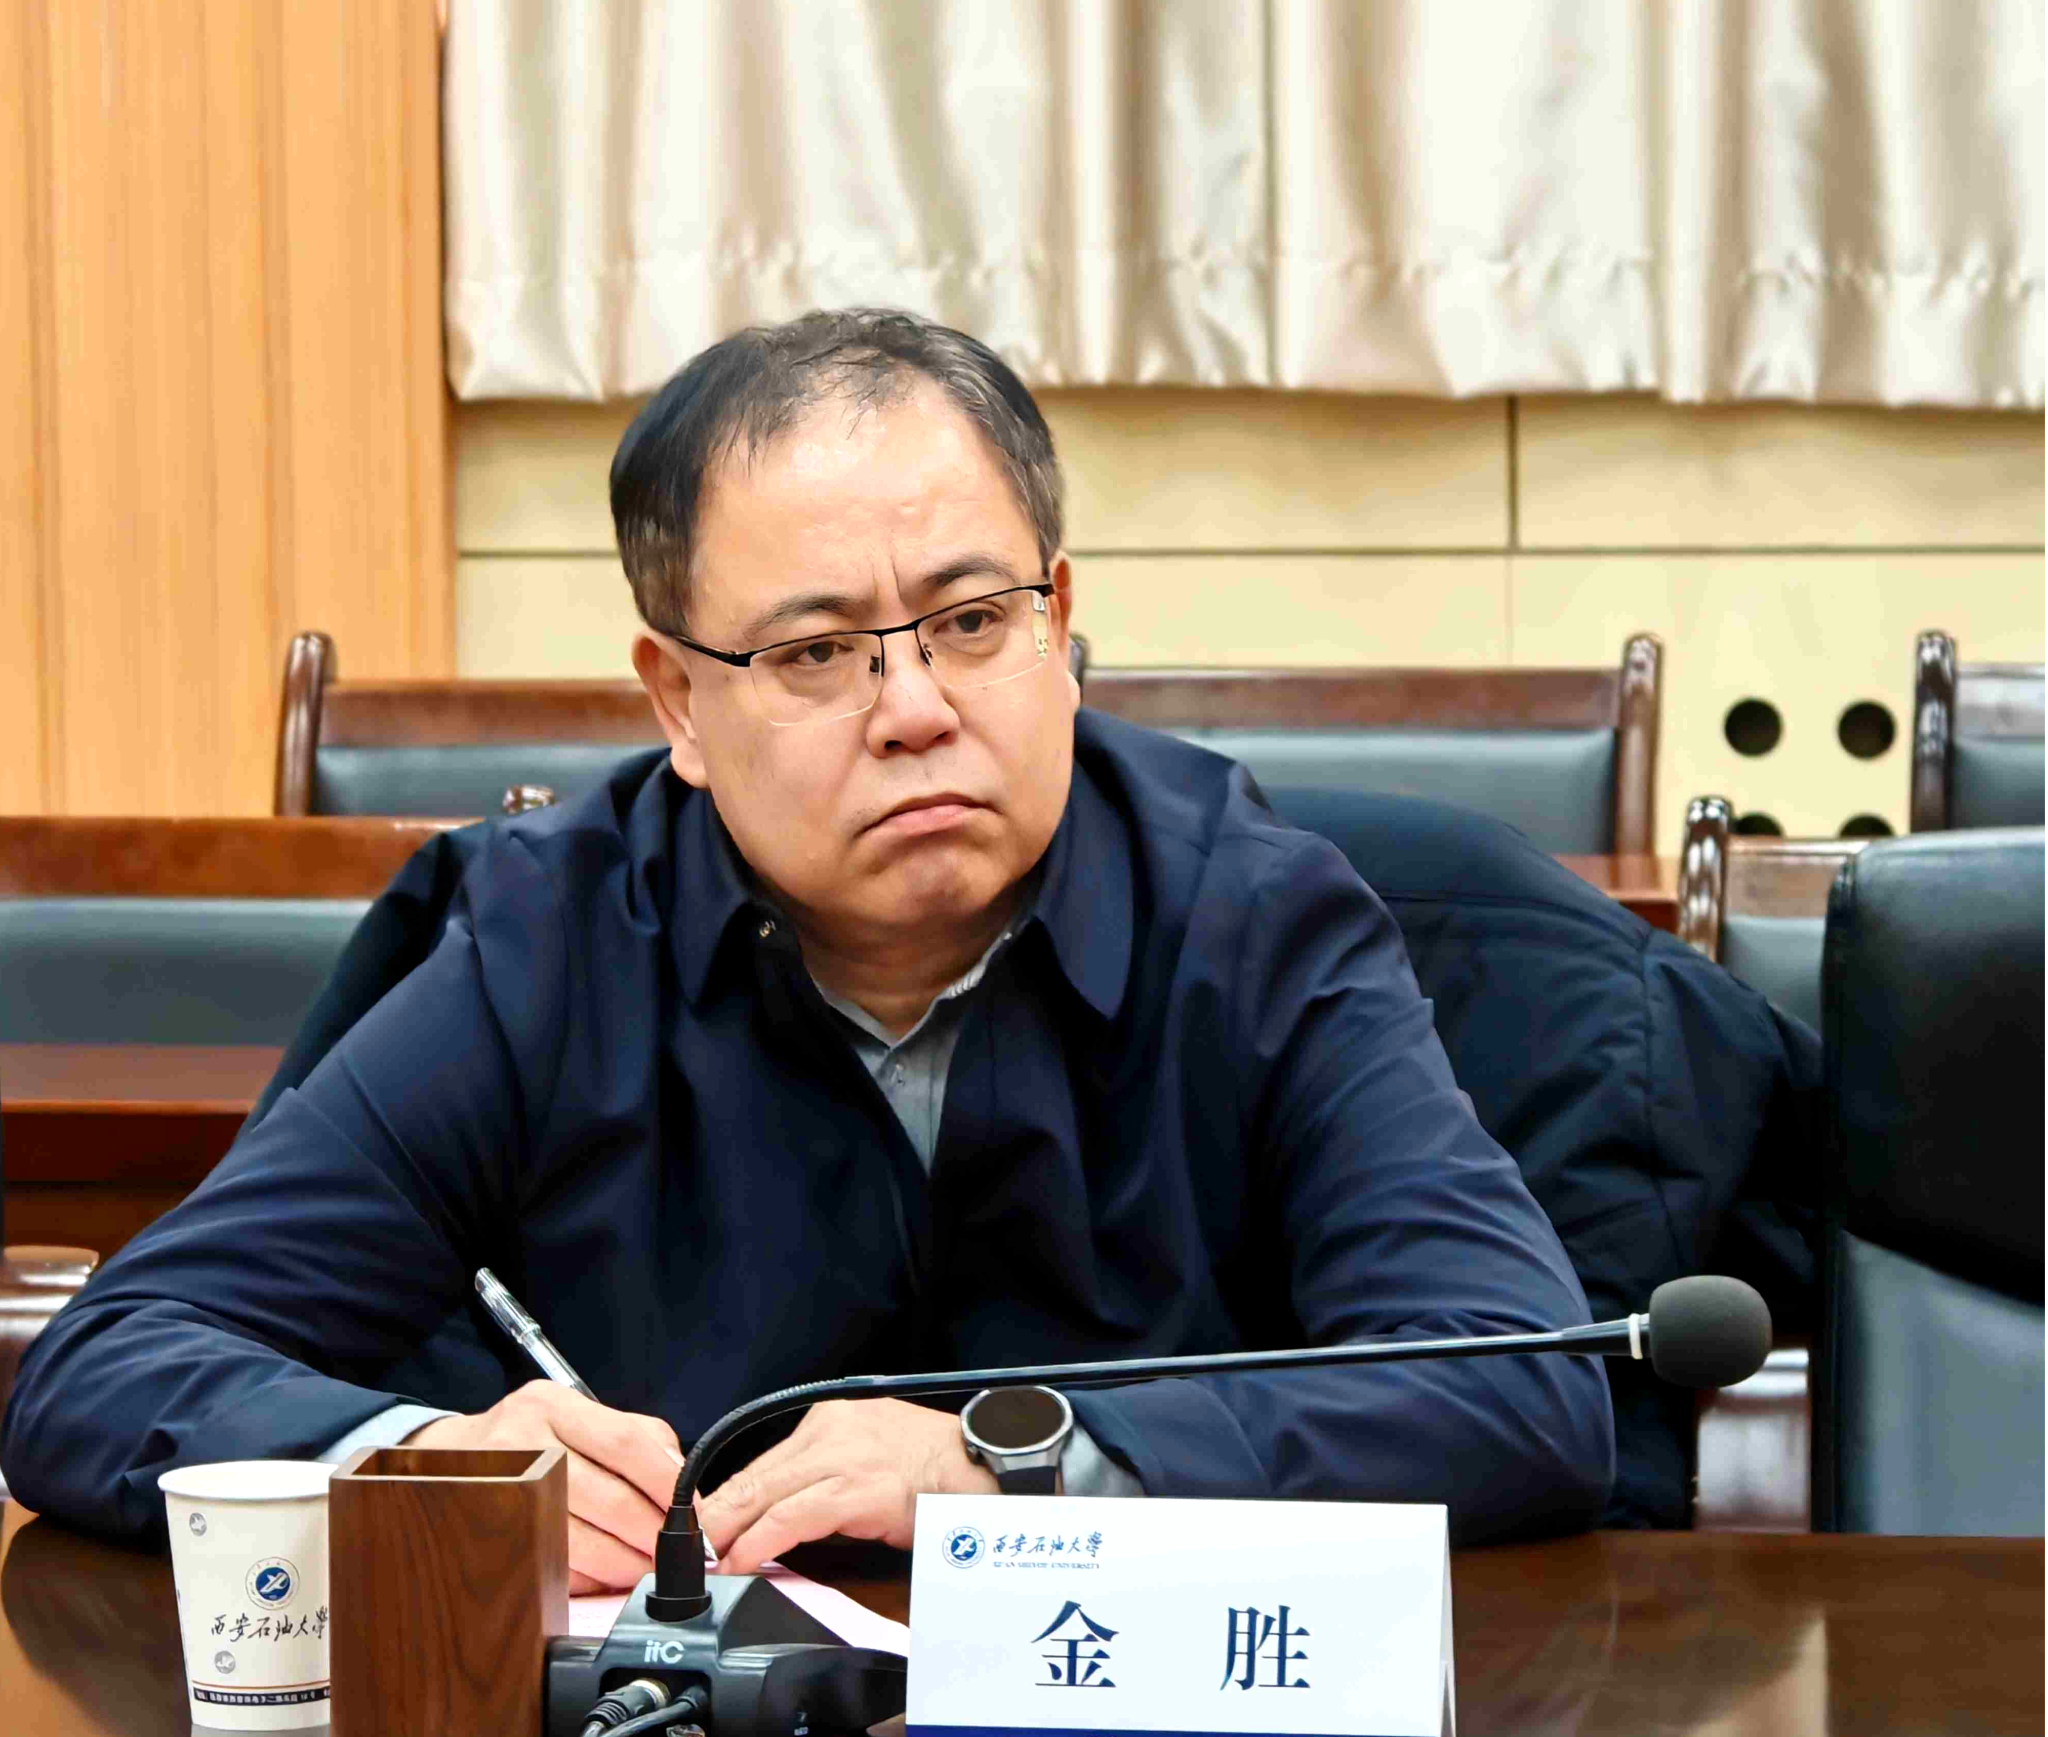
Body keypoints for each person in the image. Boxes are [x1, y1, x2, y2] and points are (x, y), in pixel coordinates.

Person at [1, 309, 1612, 1589]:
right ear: (679, 703)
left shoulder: (1255, 917)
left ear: (1061, 622)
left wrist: (1016, 1463)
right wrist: (423, 1465)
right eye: (816, 653)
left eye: (972, 622)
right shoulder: (548, 944)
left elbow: (1519, 1392)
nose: (915, 710)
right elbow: (109, 1369)